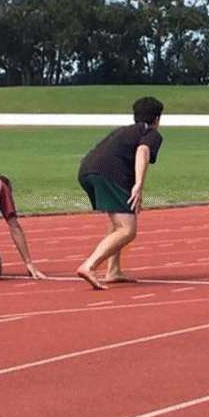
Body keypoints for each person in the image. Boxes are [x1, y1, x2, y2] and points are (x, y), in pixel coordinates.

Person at [76, 97, 164, 289]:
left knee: (118, 222)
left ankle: (113, 270)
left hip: (86, 171)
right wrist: (139, 185)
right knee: (127, 230)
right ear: (157, 119)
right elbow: (143, 151)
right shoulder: (151, 133)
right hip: (109, 174)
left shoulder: (122, 131)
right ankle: (89, 265)